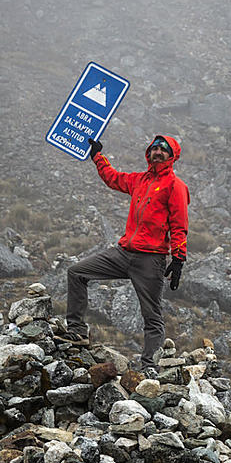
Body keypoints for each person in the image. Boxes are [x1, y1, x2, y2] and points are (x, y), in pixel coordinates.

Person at [56, 135, 190, 373]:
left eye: (163, 149)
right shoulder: (139, 180)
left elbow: (179, 225)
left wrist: (178, 258)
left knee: (152, 315)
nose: (157, 152)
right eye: (154, 148)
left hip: (150, 259)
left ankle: (149, 367)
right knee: (76, 273)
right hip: (123, 253)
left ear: (172, 156)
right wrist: (98, 156)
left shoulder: (175, 186)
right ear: (148, 153)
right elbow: (113, 178)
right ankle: (76, 333)